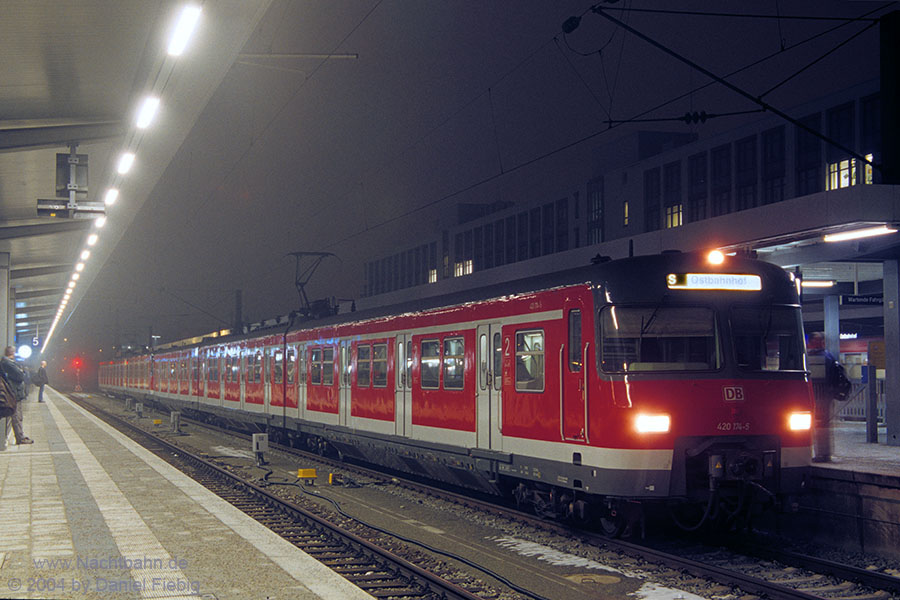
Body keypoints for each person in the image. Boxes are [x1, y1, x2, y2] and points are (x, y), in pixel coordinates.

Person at [806, 332, 850, 462]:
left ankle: (822, 454)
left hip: (818, 396)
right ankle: (824, 453)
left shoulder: (815, 357)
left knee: (819, 425)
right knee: (822, 425)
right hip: (826, 396)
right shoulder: (829, 356)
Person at [1, 346, 32, 444]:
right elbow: (20, 376)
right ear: (13, 353)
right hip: (14, 392)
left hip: (15, 392)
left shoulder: (8, 363)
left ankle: (20, 436)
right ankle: (20, 438)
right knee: (16, 416)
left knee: (18, 416)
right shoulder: (7, 363)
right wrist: (23, 371)